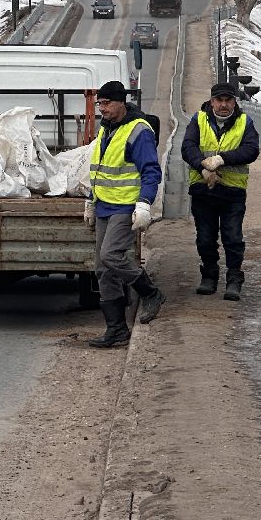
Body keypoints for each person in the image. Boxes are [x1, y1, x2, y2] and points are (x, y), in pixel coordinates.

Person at [83, 80, 165, 348]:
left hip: (125, 206)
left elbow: (151, 171)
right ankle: (116, 329)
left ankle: (150, 292)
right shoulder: (106, 129)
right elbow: (98, 170)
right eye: (100, 104)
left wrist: (144, 204)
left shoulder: (138, 131)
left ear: (120, 102)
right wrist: (91, 202)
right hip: (105, 204)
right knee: (102, 269)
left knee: (111, 256)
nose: (102, 109)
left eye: (106, 104)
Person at [181, 81, 260, 300]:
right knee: (205, 238)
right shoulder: (199, 120)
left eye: (228, 100)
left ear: (235, 102)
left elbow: (251, 150)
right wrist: (203, 167)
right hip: (203, 189)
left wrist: (221, 159)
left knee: (233, 237)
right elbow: (188, 147)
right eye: (219, 100)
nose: (224, 105)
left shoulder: (245, 122)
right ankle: (209, 275)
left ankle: (234, 279)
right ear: (212, 101)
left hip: (232, 192)